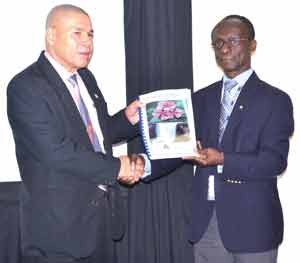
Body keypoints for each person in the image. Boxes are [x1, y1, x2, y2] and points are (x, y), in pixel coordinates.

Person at [149, 15, 294, 263]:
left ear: (252, 45)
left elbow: (274, 162)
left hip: (254, 227)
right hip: (207, 226)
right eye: (218, 43)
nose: (224, 48)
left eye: (233, 40)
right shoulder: (200, 99)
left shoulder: (275, 100)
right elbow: (175, 148)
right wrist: (140, 166)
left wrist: (223, 159)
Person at [7, 4, 145, 263]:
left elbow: (95, 136)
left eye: (91, 34)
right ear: (51, 36)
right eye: (77, 33)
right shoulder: (26, 87)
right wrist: (118, 167)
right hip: (58, 230)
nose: (87, 42)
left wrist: (127, 119)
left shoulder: (86, 78)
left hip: (101, 223)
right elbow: (55, 152)